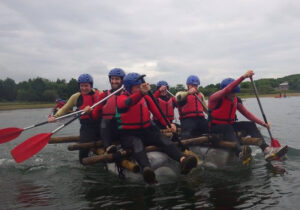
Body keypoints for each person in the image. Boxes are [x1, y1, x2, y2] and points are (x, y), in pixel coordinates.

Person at [116, 73, 197, 184]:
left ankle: (183, 160)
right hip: (129, 133)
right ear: (129, 87)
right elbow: (124, 104)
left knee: (162, 138)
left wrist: (169, 125)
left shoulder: (146, 97)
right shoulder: (122, 97)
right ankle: (147, 169)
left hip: (146, 130)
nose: (139, 88)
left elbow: (158, 113)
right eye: (136, 87)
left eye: (140, 86)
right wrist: (141, 93)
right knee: (137, 144)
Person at [208, 70, 288, 162]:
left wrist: (262, 123)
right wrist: (243, 77)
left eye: (235, 92)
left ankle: (266, 149)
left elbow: (247, 114)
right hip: (215, 127)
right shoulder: (214, 98)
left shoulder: (235, 100)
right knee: (227, 128)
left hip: (229, 125)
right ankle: (240, 153)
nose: (233, 95)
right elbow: (227, 89)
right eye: (232, 92)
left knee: (250, 124)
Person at [48, 74, 101, 164]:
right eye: (82, 86)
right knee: (83, 148)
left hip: (100, 124)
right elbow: (65, 108)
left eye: (86, 86)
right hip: (86, 126)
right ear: (79, 86)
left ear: (91, 85)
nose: (84, 88)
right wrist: (55, 117)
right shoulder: (76, 96)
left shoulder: (99, 93)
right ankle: (83, 162)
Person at [84, 68, 126, 154]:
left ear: (122, 80)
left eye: (117, 79)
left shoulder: (128, 94)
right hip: (110, 131)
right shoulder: (104, 95)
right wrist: (89, 112)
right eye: (112, 79)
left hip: (125, 130)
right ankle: (108, 146)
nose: (114, 81)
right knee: (105, 120)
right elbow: (95, 115)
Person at [176, 75, 209, 139]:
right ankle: (186, 146)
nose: (194, 87)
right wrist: (188, 93)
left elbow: (206, 109)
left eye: (196, 85)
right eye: (192, 85)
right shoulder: (182, 94)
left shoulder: (200, 95)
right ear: (188, 85)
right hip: (188, 120)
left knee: (212, 128)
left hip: (200, 119)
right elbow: (178, 97)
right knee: (186, 135)